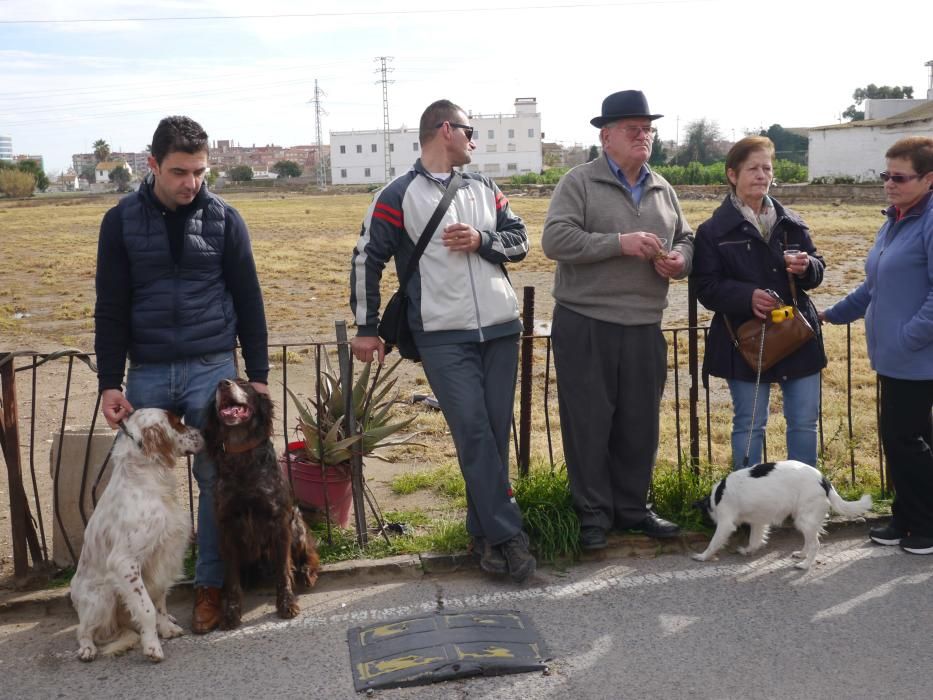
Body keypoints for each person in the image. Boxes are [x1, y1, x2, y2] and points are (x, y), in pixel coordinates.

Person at [94, 115, 270, 632]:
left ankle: (211, 586)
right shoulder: (120, 222)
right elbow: (111, 307)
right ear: (152, 166)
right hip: (146, 374)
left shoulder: (224, 219)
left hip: (212, 368)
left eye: (199, 171)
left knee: (218, 480)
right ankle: (148, 597)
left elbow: (249, 300)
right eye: (179, 172)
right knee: (141, 487)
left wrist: (255, 377)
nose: (191, 183)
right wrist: (110, 381)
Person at [349, 99, 536, 582]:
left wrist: (483, 240)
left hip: (501, 329)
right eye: (470, 131)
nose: (476, 141)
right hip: (442, 336)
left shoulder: (484, 186)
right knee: (472, 432)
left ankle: (485, 537)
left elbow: (520, 238)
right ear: (446, 130)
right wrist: (367, 328)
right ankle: (509, 534)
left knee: (494, 435)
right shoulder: (398, 194)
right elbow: (366, 257)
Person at [541, 90, 694, 551]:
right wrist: (619, 243)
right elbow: (555, 240)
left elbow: (686, 238)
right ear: (606, 136)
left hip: (644, 324)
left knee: (638, 423)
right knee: (589, 423)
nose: (643, 135)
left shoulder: (662, 187)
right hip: (586, 321)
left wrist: (680, 262)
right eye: (633, 129)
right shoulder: (579, 182)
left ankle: (632, 508)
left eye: (647, 129)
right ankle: (592, 514)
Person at [820, 136, 933, 555]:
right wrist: (833, 313)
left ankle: (925, 525)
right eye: (886, 175)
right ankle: (906, 517)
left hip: (917, 358)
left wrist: (909, 338)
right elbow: (874, 284)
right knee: (905, 440)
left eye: (899, 177)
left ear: (929, 179)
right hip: (894, 356)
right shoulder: (895, 219)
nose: (889, 183)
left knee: (904, 440)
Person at [692, 136, 826, 470]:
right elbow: (706, 288)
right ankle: (748, 505)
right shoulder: (712, 231)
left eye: (766, 168)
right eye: (752, 168)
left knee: (804, 424)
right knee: (750, 425)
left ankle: (804, 501)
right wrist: (745, 296)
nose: (761, 175)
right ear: (732, 175)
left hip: (798, 333)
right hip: (746, 337)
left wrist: (808, 267)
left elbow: (817, 268)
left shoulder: (792, 222)